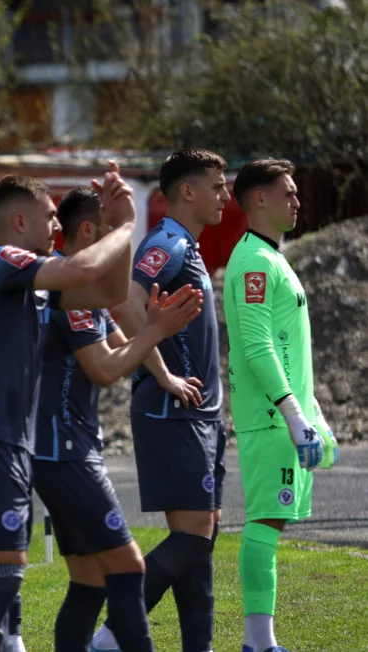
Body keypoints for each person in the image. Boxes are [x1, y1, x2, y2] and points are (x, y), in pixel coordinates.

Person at [0, 167, 138, 652]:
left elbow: (111, 293)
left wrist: (120, 229)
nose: (57, 228)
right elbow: (85, 270)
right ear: (19, 223)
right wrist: (123, 227)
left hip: (5, 444)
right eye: (48, 218)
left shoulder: (32, 281)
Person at [92, 148, 231, 652]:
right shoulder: (168, 242)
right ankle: (108, 638)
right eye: (217, 186)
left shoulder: (187, 247)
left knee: (201, 544)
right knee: (192, 539)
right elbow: (125, 301)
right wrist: (166, 374)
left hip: (201, 416)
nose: (225, 195)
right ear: (187, 192)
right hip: (175, 411)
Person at [222, 159, 338, 652]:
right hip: (271, 418)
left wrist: (315, 415)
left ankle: (261, 642)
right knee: (266, 518)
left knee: (275, 517)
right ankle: (258, 643)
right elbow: (257, 345)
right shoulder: (252, 261)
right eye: (287, 193)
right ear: (259, 200)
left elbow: (291, 349)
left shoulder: (273, 257)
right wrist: (292, 414)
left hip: (286, 415)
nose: (296, 200)